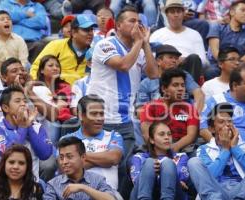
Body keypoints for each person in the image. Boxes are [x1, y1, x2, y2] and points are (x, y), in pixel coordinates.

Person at [86, 5, 158, 198]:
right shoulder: (105, 44)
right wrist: (138, 43)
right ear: (118, 25)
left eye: (139, 22)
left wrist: (146, 44)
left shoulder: (139, 49)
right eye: (131, 21)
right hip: (103, 118)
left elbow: (153, 74)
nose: (137, 25)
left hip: (125, 119)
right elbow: (123, 65)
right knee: (106, 167)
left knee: (125, 167)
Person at [188, 103, 245, 200]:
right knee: (193, 162)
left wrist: (235, 148)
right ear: (212, 129)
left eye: (230, 121)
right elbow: (208, 177)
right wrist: (225, 150)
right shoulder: (204, 149)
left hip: (243, 190)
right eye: (222, 122)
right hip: (217, 192)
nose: (227, 125)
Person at [0, 85, 53, 179]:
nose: (23, 104)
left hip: (30, 187)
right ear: (5, 108)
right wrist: (23, 126)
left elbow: (45, 154)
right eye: (18, 101)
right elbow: (11, 154)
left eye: (25, 101)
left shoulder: (37, 127)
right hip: (2, 188)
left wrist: (28, 126)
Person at [62, 94, 124, 193]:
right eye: (94, 114)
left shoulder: (114, 135)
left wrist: (78, 156)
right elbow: (67, 168)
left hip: (108, 194)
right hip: (76, 194)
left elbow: (113, 158)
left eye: (101, 114)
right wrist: (103, 160)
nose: (100, 118)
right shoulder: (67, 139)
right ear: (81, 115)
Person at [200, 66, 245, 150]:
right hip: (219, 149)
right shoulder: (216, 100)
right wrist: (219, 147)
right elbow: (203, 129)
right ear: (234, 85)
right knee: (194, 162)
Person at [140, 68, 199, 154]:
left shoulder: (190, 108)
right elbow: (147, 135)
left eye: (182, 85)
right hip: (156, 147)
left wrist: (175, 147)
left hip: (183, 148)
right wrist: (163, 149)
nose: (181, 89)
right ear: (164, 89)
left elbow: (191, 135)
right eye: (175, 85)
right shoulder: (150, 107)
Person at [150, 0, 207, 83]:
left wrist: (184, 59)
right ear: (167, 14)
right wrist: (172, 60)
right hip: (166, 70)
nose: (176, 15)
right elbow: (151, 58)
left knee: (194, 58)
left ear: (183, 14)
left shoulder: (195, 34)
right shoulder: (157, 34)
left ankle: (190, 90)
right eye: (172, 12)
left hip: (188, 68)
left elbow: (203, 61)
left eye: (178, 12)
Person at [30, 14, 97, 85]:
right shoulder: (56, 45)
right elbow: (37, 67)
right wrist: (38, 86)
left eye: (91, 30)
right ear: (74, 33)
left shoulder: (95, 53)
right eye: (86, 30)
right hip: (55, 90)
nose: (90, 33)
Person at [136, 44, 204, 112]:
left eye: (176, 58)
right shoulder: (146, 83)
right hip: (157, 119)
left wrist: (194, 116)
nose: (174, 61)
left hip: (182, 117)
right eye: (170, 57)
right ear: (158, 61)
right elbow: (139, 110)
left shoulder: (184, 75)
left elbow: (199, 94)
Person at [130, 121, 189, 200]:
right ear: (151, 140)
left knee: (167, 163)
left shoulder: (181, 157)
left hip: (174, 195)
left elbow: (181, 184)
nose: (167, 137)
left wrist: (161, 172)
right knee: (149, 163)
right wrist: (152, 172)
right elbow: (137, 182)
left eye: (169, 134)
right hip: (142, 193)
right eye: (162, 134)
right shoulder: (138, 157)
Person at [43, 136, 116, 200]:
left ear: (83, 157)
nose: (64, 162)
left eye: (69, 156)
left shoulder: (98, 180)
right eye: (61, 158)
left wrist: (83, 188)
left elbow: (111, 198)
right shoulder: (53, 185)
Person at [205, 0, 245, 79]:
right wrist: (226, 64)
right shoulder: (217, 27)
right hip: (218, 65)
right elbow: (215, 51)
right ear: (232, 12)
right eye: (243, 10)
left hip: (239, 67)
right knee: (211, 71)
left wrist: (234, 65)